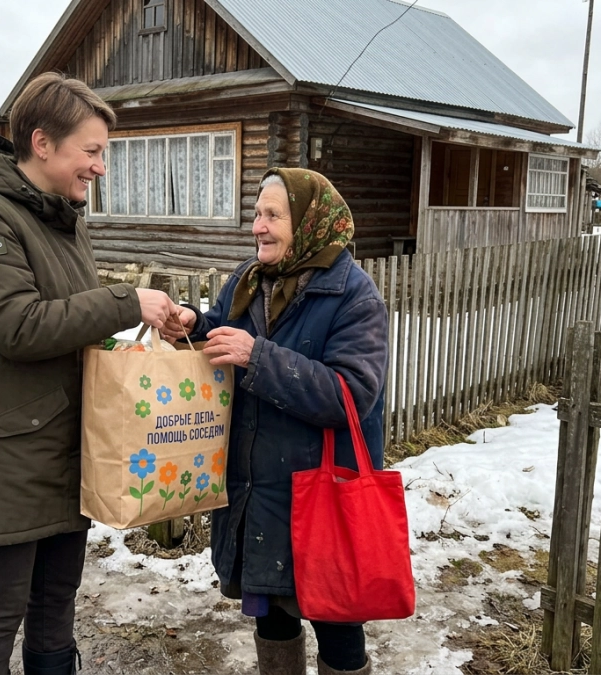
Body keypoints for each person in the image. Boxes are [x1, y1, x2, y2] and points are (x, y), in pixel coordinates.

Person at [0, 72, 178, 675]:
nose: (100, 167)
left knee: (55, 604)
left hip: (62, 449)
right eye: (91, 151)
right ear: (42, 144)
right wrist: (127, 302)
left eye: (103, 153)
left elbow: (71, 322)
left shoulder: (60, 217)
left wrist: (151, 329)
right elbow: (18, 326)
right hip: (4, 456)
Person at [160, 168, 389, 675]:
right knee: (270, 614)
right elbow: (228, 332)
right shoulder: (249, 281)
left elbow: (350, 394)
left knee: (335, 620)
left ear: (309, 223)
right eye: (256, 214)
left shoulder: (355, 296)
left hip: (322, 492)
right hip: (258, 489)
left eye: (272, 216)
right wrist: (199, 324)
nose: (258, 227)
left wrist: (256, 356)